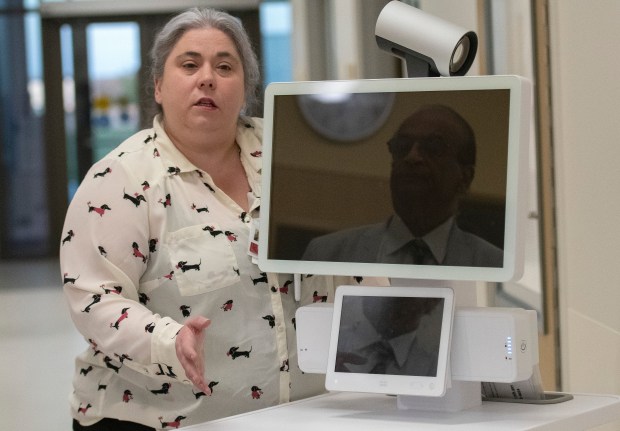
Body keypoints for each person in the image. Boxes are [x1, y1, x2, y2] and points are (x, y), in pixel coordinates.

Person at [60, 8, 330, 430]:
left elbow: (349, 258)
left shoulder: (294, 156)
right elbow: (95, 300)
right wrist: (169, 342)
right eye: (189, 65)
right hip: (155, 419)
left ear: (246, 89)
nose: (207, 77)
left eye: (225, 66)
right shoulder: (122, 178)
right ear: (159, 86)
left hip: (297, 413)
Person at [303, 104, 503, 268]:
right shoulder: (326, 254)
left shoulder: (494, 265)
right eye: (402, 147)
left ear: (465, 178)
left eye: (433, 147)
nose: (412, 157)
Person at [334, 296, 444, 376]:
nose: (387, 300)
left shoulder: (434, 367)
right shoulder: (335, 344)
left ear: (432, 302)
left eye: (401, 299)